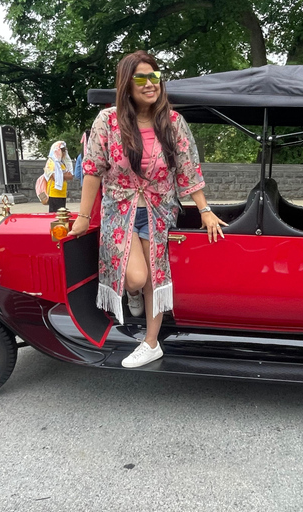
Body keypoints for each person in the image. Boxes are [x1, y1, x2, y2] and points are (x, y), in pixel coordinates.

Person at [68, 50, 227, 368]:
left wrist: (205, 209)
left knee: (155, 277)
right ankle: (132, 294)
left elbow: (187, 169)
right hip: (119, 211)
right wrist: (84, 218)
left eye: (154, 76)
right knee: (136, 279)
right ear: (127, 85)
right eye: (140, 78)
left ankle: (151, 343)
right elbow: (92, 169)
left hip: (159, 211)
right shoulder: (108, 121)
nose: (149, 83)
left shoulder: (173, 122)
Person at [43, 141, 74, 212]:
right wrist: (64, 175)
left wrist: (62, 175)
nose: (63, 154)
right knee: (55, 216)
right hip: (54, 194)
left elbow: (70, 176)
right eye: (61, 151)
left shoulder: (61, 163)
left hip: (62, 193)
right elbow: (55, 177)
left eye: (64, 151)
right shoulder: (51, 163)